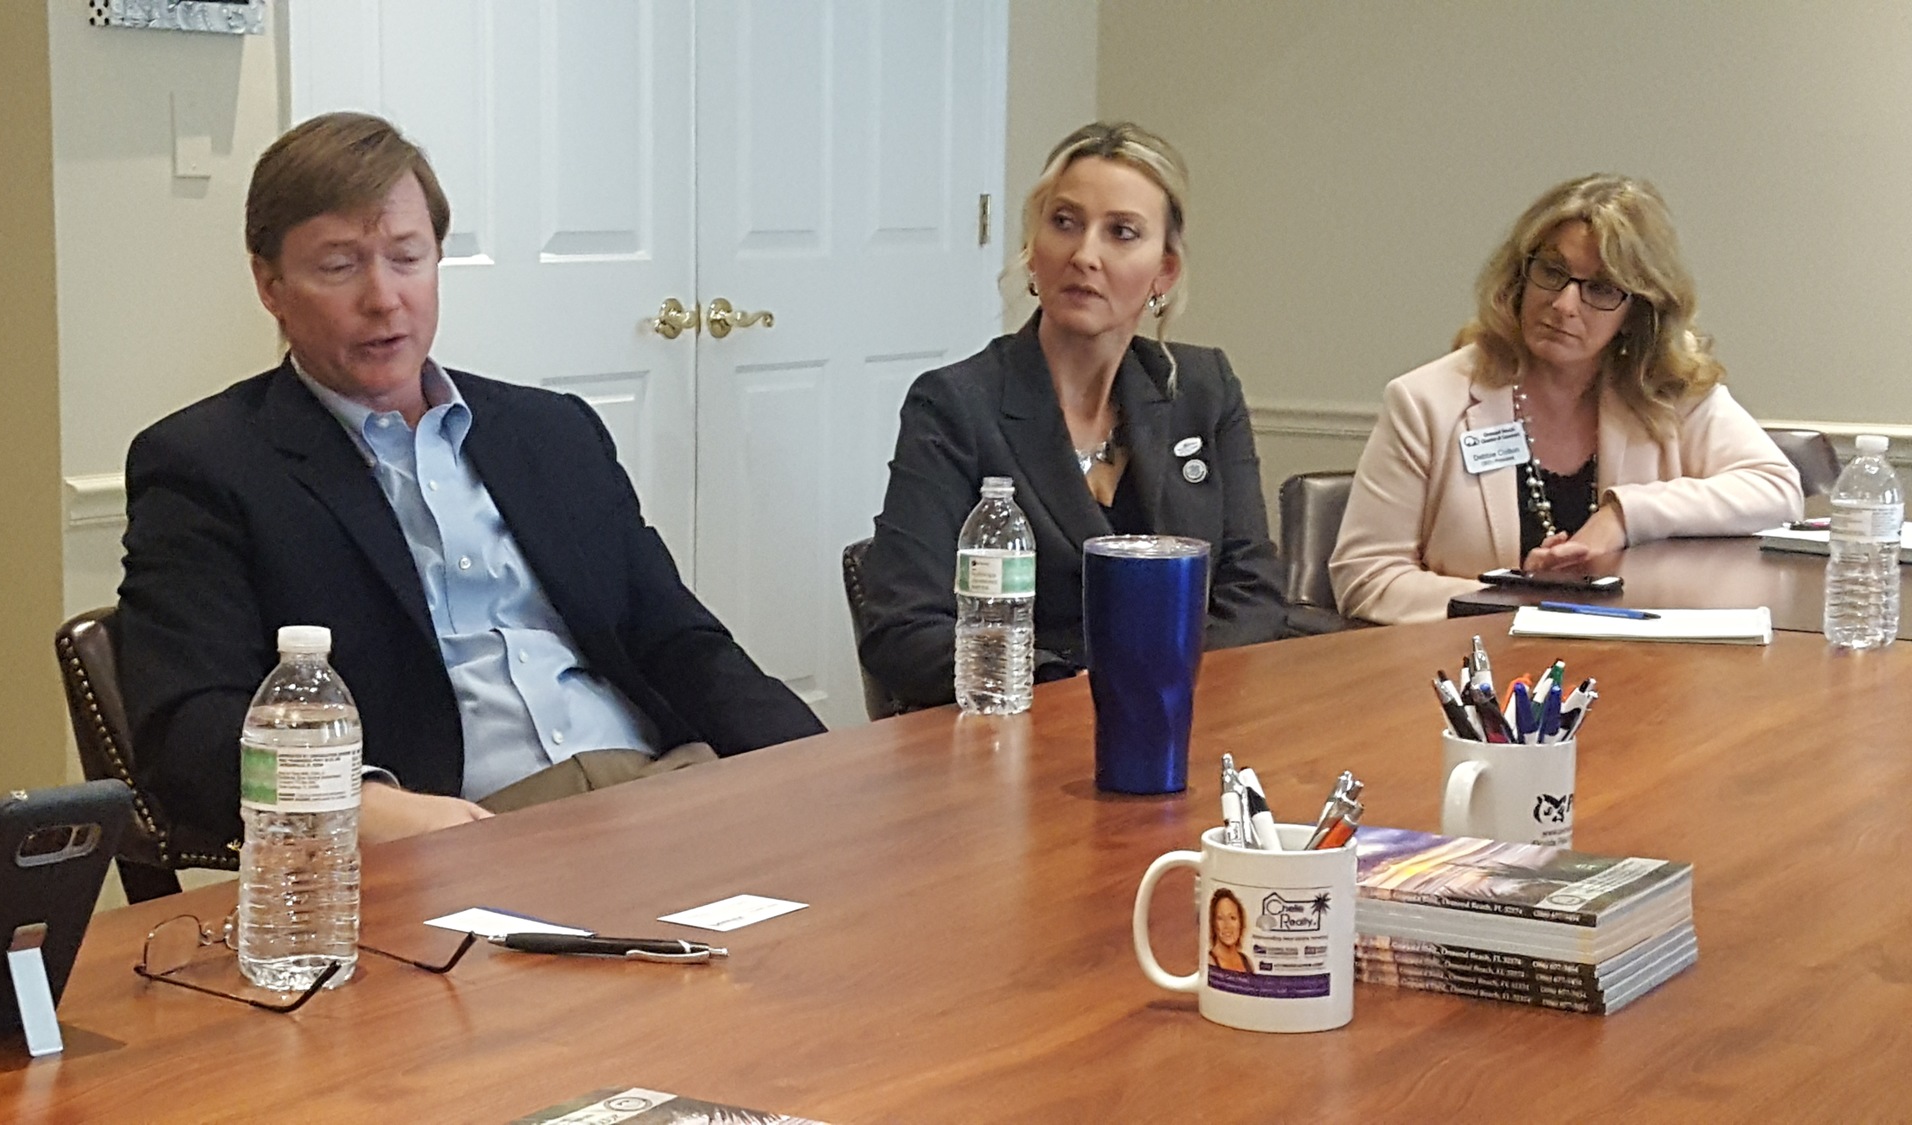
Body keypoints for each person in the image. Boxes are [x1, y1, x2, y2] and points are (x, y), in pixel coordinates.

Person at [117, 112, 825, 848]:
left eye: (406, 257)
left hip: (662, 790)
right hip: (462, 836)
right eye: (339, 266)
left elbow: (679, 640)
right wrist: (368, 809)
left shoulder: (551, 432)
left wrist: (828, 767)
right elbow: (190, 734)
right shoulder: (210, 464)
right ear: (270, 284)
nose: (384, 298)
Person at [858, 122, 1287, 709]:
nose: (1085, 254)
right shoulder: (956, 405)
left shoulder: (1202, 387)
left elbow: (1252, 593)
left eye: (1122, 233)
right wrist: (1071, 688)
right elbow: (904, 629)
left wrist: (1158, 687)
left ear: (1163, 273)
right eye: (1064, 223)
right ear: (1034, 249)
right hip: (1021, 727)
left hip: (1186, 716)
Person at [1330, 174, 1802, 625]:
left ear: (1638, 311)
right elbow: (1367, 576)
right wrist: (1516, 602)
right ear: (1518, 277)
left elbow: (1777, 490)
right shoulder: (1426, 402)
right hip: (1478, 675)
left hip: (1639, 666)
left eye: (1599, 288)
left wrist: (1623, 515)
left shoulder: (1665, 392)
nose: (1564, 304)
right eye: (1552, 272)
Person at [1208, 888, 1251, 973]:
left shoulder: (1247, 961)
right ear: (1213, 923)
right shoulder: (1208, 962)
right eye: (1220, 918)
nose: (1227, 926)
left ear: (1240, 922)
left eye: (1232, 918)